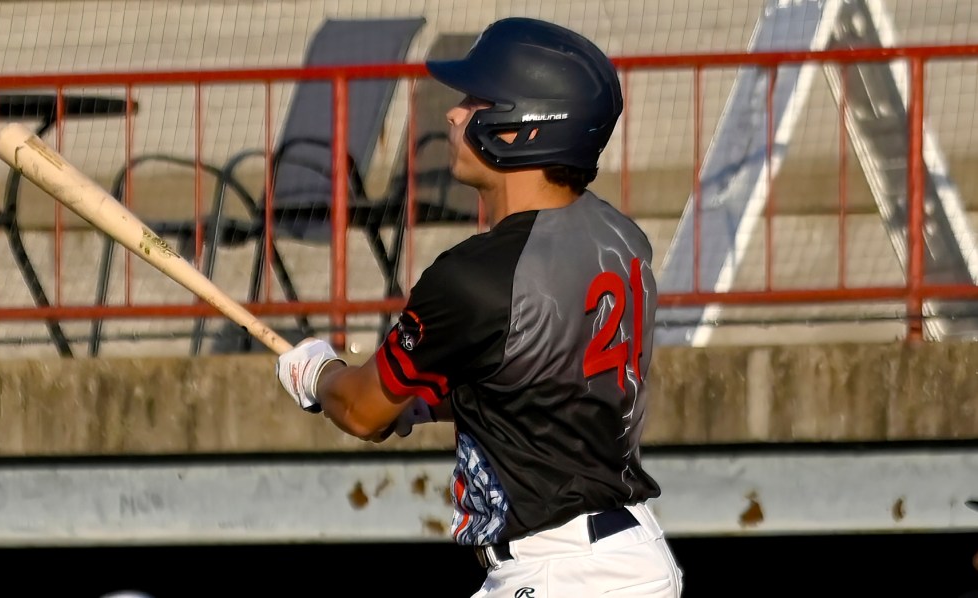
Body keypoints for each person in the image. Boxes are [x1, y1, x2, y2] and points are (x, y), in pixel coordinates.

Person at [276, 16, 683, 597]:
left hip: (562, 569)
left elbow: (362, 412)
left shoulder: (474, 277)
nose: (453, 113)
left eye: (476, 102)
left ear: (523, 126)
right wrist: (430, 403)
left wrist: (319, 374)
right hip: (628, 553)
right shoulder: (620, 237)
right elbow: (539, 380)